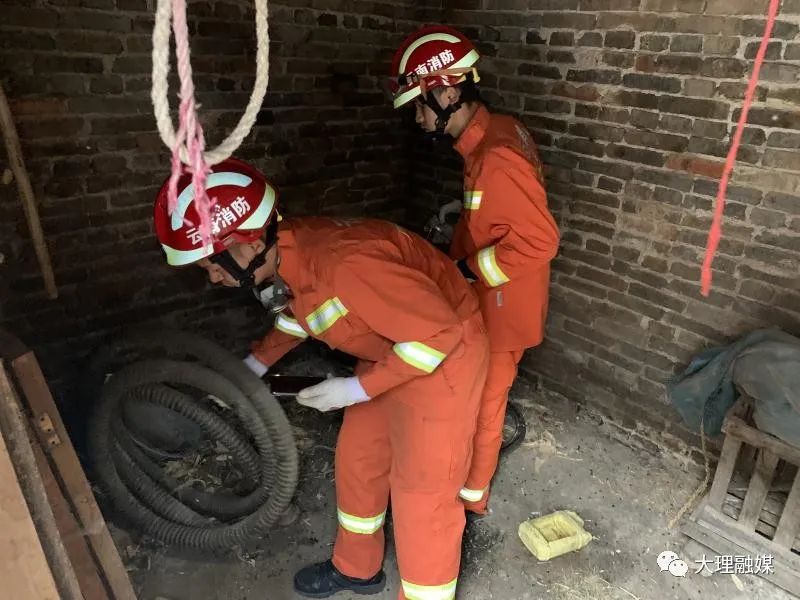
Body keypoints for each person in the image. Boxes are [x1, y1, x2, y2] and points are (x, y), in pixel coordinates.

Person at [153, 157, 490, 599]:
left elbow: (439, 334)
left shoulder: (346, 265)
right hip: (391, 348)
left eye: (213, 263)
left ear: (250, 243)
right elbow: (305, 317)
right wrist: (253, 366)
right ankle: (357, 570)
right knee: (357, 462)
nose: (214, 277)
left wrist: (356, 388)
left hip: (443, 357)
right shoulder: (290, 255)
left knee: (421, 495)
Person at [389, 25, 560, 515]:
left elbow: (540, 241)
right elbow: (502, 212)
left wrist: (467, 266)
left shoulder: (496, 156)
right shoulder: (496, 134)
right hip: (501, 295)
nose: (419, 119)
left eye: (420, 106)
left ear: (448, 90)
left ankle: (471, 497)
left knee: (486, 404)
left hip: (507, 305)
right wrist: (459, 221)